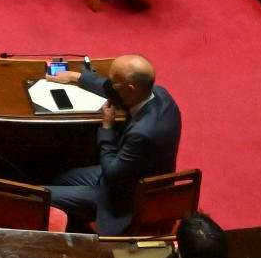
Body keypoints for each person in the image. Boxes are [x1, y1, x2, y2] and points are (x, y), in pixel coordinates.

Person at [46, 55, 181, 235]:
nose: (111, 85)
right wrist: (77, 77)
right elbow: (110, 88)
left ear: (130, 89)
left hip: (122, 197)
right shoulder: (160, 94)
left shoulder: (142, 134)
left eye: (115, 83)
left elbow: (111, 173)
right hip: (131, 172)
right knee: (60, 179)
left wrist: (107, 129)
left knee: (42, 195)